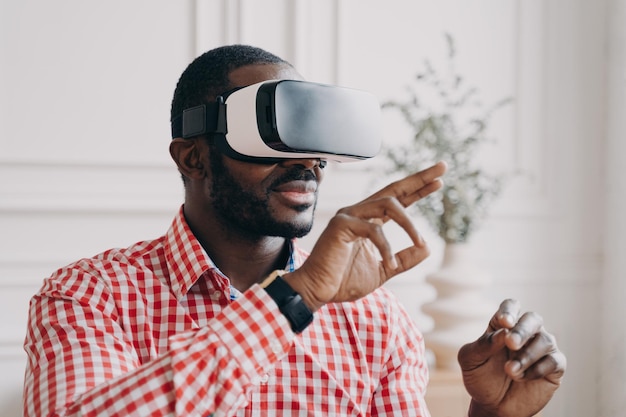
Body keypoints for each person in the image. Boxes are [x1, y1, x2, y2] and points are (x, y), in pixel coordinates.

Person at [22, 44, 566, 417]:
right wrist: (295, 297)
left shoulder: (376, 319)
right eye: (271, 131)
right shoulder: (87, 296)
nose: (307, 160)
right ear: (192, 156)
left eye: (311, 134)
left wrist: (490, 415)